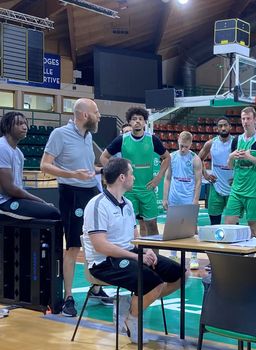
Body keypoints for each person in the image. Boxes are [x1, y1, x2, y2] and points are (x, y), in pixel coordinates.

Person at [82, 158, 184, 344]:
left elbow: (135, 239)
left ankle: (131, 305)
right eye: (131, 174)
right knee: (154, 283)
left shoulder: (128, 204)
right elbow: (101, 246)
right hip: (104, 263)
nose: (134, 177)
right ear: (122, 177)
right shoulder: (97, 205)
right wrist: (136, 256)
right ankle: (132, 319)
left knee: (181, 274)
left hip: (129, 255)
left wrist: (145, 252)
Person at [41, 98, 108, 317]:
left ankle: (97, 287)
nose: (99, 116)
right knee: (73, 246)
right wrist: (72, 174)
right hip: (71, 194)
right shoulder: (59, 134)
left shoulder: (88, 137)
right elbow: (45, 165)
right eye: (96, 112)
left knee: (100, 242)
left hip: (91, 192)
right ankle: (68, 296)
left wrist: (101, 170)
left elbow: (87, 169)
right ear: (84, 115)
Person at [99, 107, 171, 238]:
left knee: (152, 225)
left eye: (140, 119)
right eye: (134, 119)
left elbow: (167, 157)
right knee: (128, 227)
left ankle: (156, 257)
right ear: (129, 122)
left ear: (145, 122)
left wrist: (159, 177)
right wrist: (115, 173)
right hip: (129, 191)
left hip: (147, 190)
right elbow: (103, 157)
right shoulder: (122, 139)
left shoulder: (152, 139)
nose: (137, 121)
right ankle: (134, 257)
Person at [223, 107, 256, 237]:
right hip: (236, 190)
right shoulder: (236, 141)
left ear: (255, 120)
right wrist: (231, 157)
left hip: (254, 192)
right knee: (228, 225)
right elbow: (230, 166)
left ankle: (252, 256)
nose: (245, 121)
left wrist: (250, 157)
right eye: (243, 119)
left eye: (248, 118)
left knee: (253, 229)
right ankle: (232, 255)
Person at [0, 112, 60, 220]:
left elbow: (17, 188)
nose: (24, 127)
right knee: (53, 213)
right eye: (19, 124)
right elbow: (9, 189)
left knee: (50, 211)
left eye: (25, 124)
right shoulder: (2, 148)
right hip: (3, 202)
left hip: (13, 199)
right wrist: (40, 201)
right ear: (7, 127)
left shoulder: (18, 153)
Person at [162, 131, 202, 268]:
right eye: (181, 146)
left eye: (185, 146)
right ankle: (173, 255)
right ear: (178, 141)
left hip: (188, 198)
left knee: (192, 227)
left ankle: (194, 256)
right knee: (173, 226)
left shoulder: (195, 159)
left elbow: (198, 181)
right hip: (174, 197)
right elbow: (167, 178)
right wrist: (164, 198)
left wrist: (195, 200)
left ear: (190, 144)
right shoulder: (172, 157)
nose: (183, 149)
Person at [198, 117, 237, 225]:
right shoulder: (210, 144)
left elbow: (244, 163)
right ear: (217, 128)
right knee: (214, 222)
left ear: (230, 127)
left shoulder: (236, 142)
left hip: (233, 189)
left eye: (225, 125)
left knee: (233, 223)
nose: (223, 128)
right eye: (220, 126)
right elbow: (198, 159)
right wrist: (205, 174)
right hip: (216, 187)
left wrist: (238, 177)